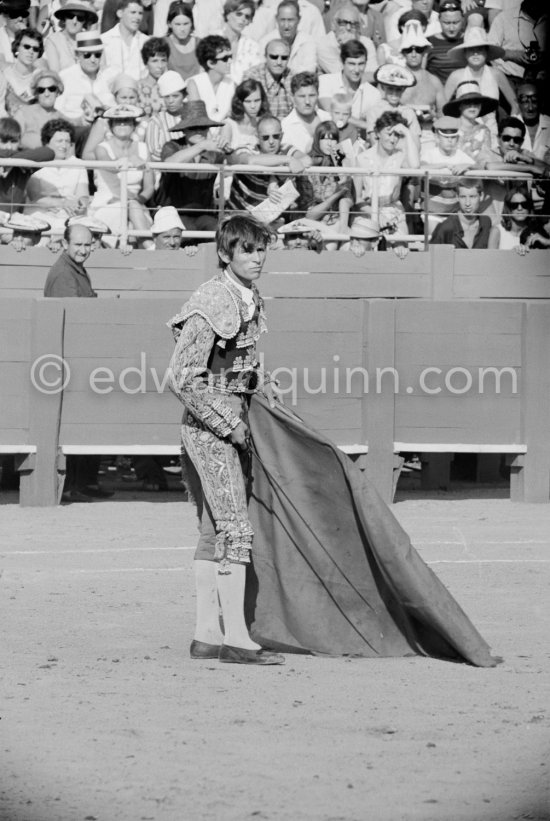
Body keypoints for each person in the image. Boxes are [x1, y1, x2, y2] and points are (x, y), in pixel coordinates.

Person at [167, 213, 286, 665]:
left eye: (261, 250)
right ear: (225, 253)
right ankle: (236, 637)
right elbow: (180, 377)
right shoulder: (211, 298)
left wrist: (263, 382)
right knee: (234, 526)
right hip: (208, 425)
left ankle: (205, 635)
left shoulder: (248, 295)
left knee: (212, 529)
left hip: (230, 413)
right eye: (248, 250)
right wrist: (227, 423)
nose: (257, 258)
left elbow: (243, 359)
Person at [44, 223, 114, 503]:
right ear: (65, 244)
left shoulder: (73, 269)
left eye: (88, 245)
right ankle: (76, 484)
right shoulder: (64, 273)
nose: (84, 250)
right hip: (71, 357)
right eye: (78, 245)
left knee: (87, 417)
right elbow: (74, 319)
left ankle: (85, 481)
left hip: (78, 355)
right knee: (79, 419)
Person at [89, 103, 155, 247]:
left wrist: (136, 201)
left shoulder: (143, 149)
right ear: (111, 125)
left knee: (132, 224)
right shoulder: (102, 148)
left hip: (137, 205)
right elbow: (111, 169)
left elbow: (149, 187)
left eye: (127, 121)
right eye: (118, 121)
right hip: (107, 204)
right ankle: (151, 249)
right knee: (128, 214)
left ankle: (146, 257)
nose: (123, 124)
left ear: (134, 125)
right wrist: (128, 161)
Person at [156, 100, 225, 231]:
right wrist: (201, 146)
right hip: (173, 215)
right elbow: (167, 164)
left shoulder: (215, 152)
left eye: (203, 127)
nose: (199, 131)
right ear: (184, 130)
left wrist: (228, 150)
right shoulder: (171, 146)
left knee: (219, 233)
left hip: (205, 216)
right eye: (193, 127)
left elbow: (235, 163)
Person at [227, 113, 309, 214]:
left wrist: (275, 178)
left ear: (282, 136)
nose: (271, 141)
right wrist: (289, 160)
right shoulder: (246, 149)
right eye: (265, 137)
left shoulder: (286, 149)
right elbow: (251, 161)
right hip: (240, 216)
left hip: (270, 219)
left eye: (276, 136)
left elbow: (307, 160)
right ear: (257, 137)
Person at [355, 108, 419, 235]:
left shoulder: (400, 156)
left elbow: (415, 166)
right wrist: (377, 215)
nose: (393, 139)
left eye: (397, 135)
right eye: (389, 134)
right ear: (378, 133)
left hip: (394, 213)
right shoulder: (362, 158)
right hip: (367, 212)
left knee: (400, 249)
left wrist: (406, 132)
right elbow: (357, 199)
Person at [25, 118, 89, 236]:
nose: (64, 145)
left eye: (67, 141)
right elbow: (35, 198)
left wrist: (81, 204)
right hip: (41, 214)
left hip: (70, 215)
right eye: (59, 141)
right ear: (47, 142)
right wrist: (63, 203)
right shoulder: (35, 163)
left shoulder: (78, 164)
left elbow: (83, 195)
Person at [318, 40, 382, 135]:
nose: (356, 70)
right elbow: (331, 110)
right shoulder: (325, 81)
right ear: (342, 62)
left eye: (361, 64)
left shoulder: (374, 94)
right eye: (352, 64)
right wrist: (365, 124)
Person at [56, 32, 116, 123]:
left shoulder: (111, 75)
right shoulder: (65, 77)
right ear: (77, 54)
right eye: (87, 55)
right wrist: (77, 121)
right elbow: (57, 111)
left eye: (97, 55)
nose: (93, 59)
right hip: (75, 128)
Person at [0, 116, 54, 214]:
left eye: (13, 142)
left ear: (19, 141)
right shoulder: (24, 158)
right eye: (4, 142)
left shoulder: (24, 161)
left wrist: (11, 162)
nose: (9, 146)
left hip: (14, 221)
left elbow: (49, 153)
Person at [316, 1, 378, 79]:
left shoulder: (367, 43)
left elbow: (373, 75)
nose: (348, 28)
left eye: (353, 24)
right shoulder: (324, 44)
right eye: (343, 23)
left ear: (359, 28)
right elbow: (344, 77)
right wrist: (347, 47)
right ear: (333, 25)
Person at [430, 178, 496, 247]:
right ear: (457, 197)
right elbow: (432, 256)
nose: (467, 203)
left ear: (481, 196)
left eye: (472, 197)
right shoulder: (445, 228)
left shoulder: (486, 223)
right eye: (463, 197)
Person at [442, 80, 495, 163]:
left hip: (476, 173)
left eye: (476, 102)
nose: (472, 106)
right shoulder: (449, 128)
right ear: (459, 106)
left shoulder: (484, 130)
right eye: (467, 102)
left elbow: (486, 159)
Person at [258, 0, 317, 76]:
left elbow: (309, 72)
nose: (286, 25)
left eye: (290, 20)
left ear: (299, 19)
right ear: (276, 19)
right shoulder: (266, 42)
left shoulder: (308, 41)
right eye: (282, 20)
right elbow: (263, 71)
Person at [186, 34, 236, 123]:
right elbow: (196, 118)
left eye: (230, 57)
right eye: (225, 58)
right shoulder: (193, 84)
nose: (230, 61)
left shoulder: (233, 85)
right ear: (211, 63)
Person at [281, 72, 331, 154]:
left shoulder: (329, 118)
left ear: (318, 95)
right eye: (302, 96)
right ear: (292, 98)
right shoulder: (285, 126)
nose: (307, 101)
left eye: (312, 95)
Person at [14, 69, 64, 149]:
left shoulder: (62, 119)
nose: (47, 94)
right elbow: (11, 143)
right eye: (41, 90)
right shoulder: (23, 114)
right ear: (36, 93)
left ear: (57, 91)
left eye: (51, 89)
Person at [244, 39, 293, 120]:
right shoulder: (252, 77)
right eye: (274, 57)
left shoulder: (293, 77)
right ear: (265, 57)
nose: (279, 62)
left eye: (284, 58)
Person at [44, 0, 98, 74]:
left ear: (84, 21)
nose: (74, 21)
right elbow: (55, 74)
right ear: (64, 18)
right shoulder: (53, 40)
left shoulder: (89, 41)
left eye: (80, 18)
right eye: (70, 16)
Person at [100, 0, 149, 81]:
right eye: (133, 12)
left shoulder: (146, 41)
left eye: (140, 13)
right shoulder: (104, 40)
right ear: (120, 13)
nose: (137, 17)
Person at [145, 69, 187, 162]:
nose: (170, 101)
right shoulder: (156, 121)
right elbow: (153, 152)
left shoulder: (194, 117)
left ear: (183, 96)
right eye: (167, 97)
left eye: (175, 96)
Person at [218, 0, 261, 85]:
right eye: (239, 14)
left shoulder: (252, 45)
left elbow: (254, 76)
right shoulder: (212, 39)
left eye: (247, 16)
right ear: (228, 14)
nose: (243, 19)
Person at [4, 27, 45, 116]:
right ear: (17, 47)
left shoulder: (41, 77)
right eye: (27, 47)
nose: (31, 51)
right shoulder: (4, 75)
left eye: (35, 49)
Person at [221, 78, 270, 151]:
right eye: (248, 101)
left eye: (257, 100)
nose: (253, 106)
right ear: (240, 102)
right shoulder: (228, 125)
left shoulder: (263, 125)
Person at [426, 0, 467, 84]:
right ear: (439, 20)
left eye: (456, 22)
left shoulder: (469, 40)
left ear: (463, 20)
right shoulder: (428, 42)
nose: (451, 28)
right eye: (447, 23)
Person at [488, 185, 536, 251]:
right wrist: (511, 254)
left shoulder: (535, 231)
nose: (520, 208)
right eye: (514, 205)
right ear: (508, 208)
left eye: (524, 204)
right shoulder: (497, 231)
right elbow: (490, 259)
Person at [164, 1, 200, 82]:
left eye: (186, 23)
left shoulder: (200, 44)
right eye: (178, 24)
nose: (182, 29)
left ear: (191, 23)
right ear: (169, 24)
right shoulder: (163, 44)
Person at [138, 36, 169, 117]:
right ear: (146, 63)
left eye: (163, 60)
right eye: (154, 61)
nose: (160, 65)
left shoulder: (170, 87)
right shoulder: (137, 88)